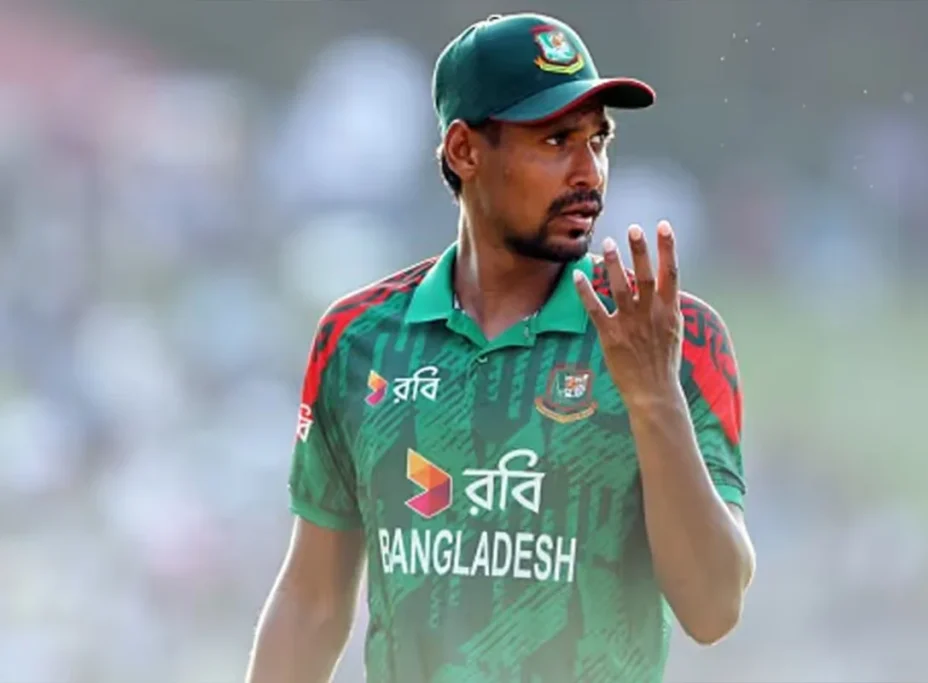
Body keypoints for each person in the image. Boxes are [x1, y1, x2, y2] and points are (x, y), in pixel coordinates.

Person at [246, 12, 755, 683]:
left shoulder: (672, 335)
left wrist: (653, 393)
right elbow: (311, 604)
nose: (589, 172)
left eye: (598, 140)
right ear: (464, 151)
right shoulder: (360, 339)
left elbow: (714, 609)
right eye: (556, 140)